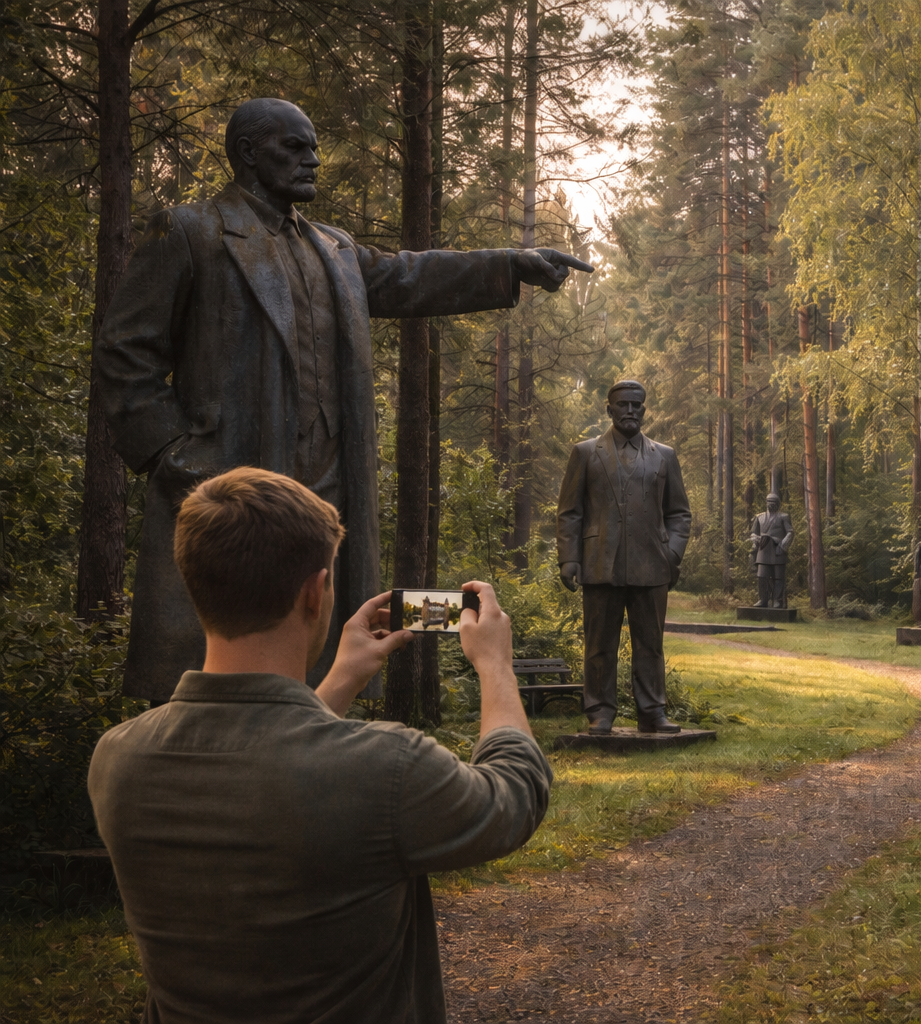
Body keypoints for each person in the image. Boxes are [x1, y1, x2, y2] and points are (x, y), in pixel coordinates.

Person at [97, 97, 593, 702]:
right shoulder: (192, 231)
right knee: (224, 672)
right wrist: (177, 456)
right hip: (233, 489)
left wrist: (509, 264)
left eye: (314, 146)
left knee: (324, 650)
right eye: (295, 147)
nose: (313, 159)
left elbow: (409, 276)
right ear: (249, 153)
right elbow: (125, 354)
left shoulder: (333, 248)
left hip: (327, 487)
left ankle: (314, 757)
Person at [89, 468, 552, 1024]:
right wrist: (494, 664)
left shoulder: (118, 759)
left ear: (194, 584)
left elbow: (262, 762)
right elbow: (514, 794)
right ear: (316, 592)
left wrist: (341, 679)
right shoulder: (385, 769)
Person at [556, 380, 692, 734]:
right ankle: (600, 712)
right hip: (600, 563)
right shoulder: (585, 453)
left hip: (653, 565)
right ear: (609, 409)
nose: (630, 410)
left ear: (644, 410)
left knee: (650, 644)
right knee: (599, 644)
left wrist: (671, 554)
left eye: (637, 405)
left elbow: (679, 513)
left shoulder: (665, 455)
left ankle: (652, 712)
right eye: (623, 405)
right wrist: (569, 559)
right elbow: (570, 511)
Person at [750, 492, 795, 609]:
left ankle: (777, 600)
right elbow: (753, 532)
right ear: (766, 503)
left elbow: (790, 532)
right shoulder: (759, 517)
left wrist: (783, 545)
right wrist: (755, 539)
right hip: (763, 548)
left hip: (778, 549)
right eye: (769, 502)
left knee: (778, 577)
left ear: (778, 504)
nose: (771, 504)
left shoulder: (783, 517)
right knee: (762, 576)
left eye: (774, 502)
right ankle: (763, 599)